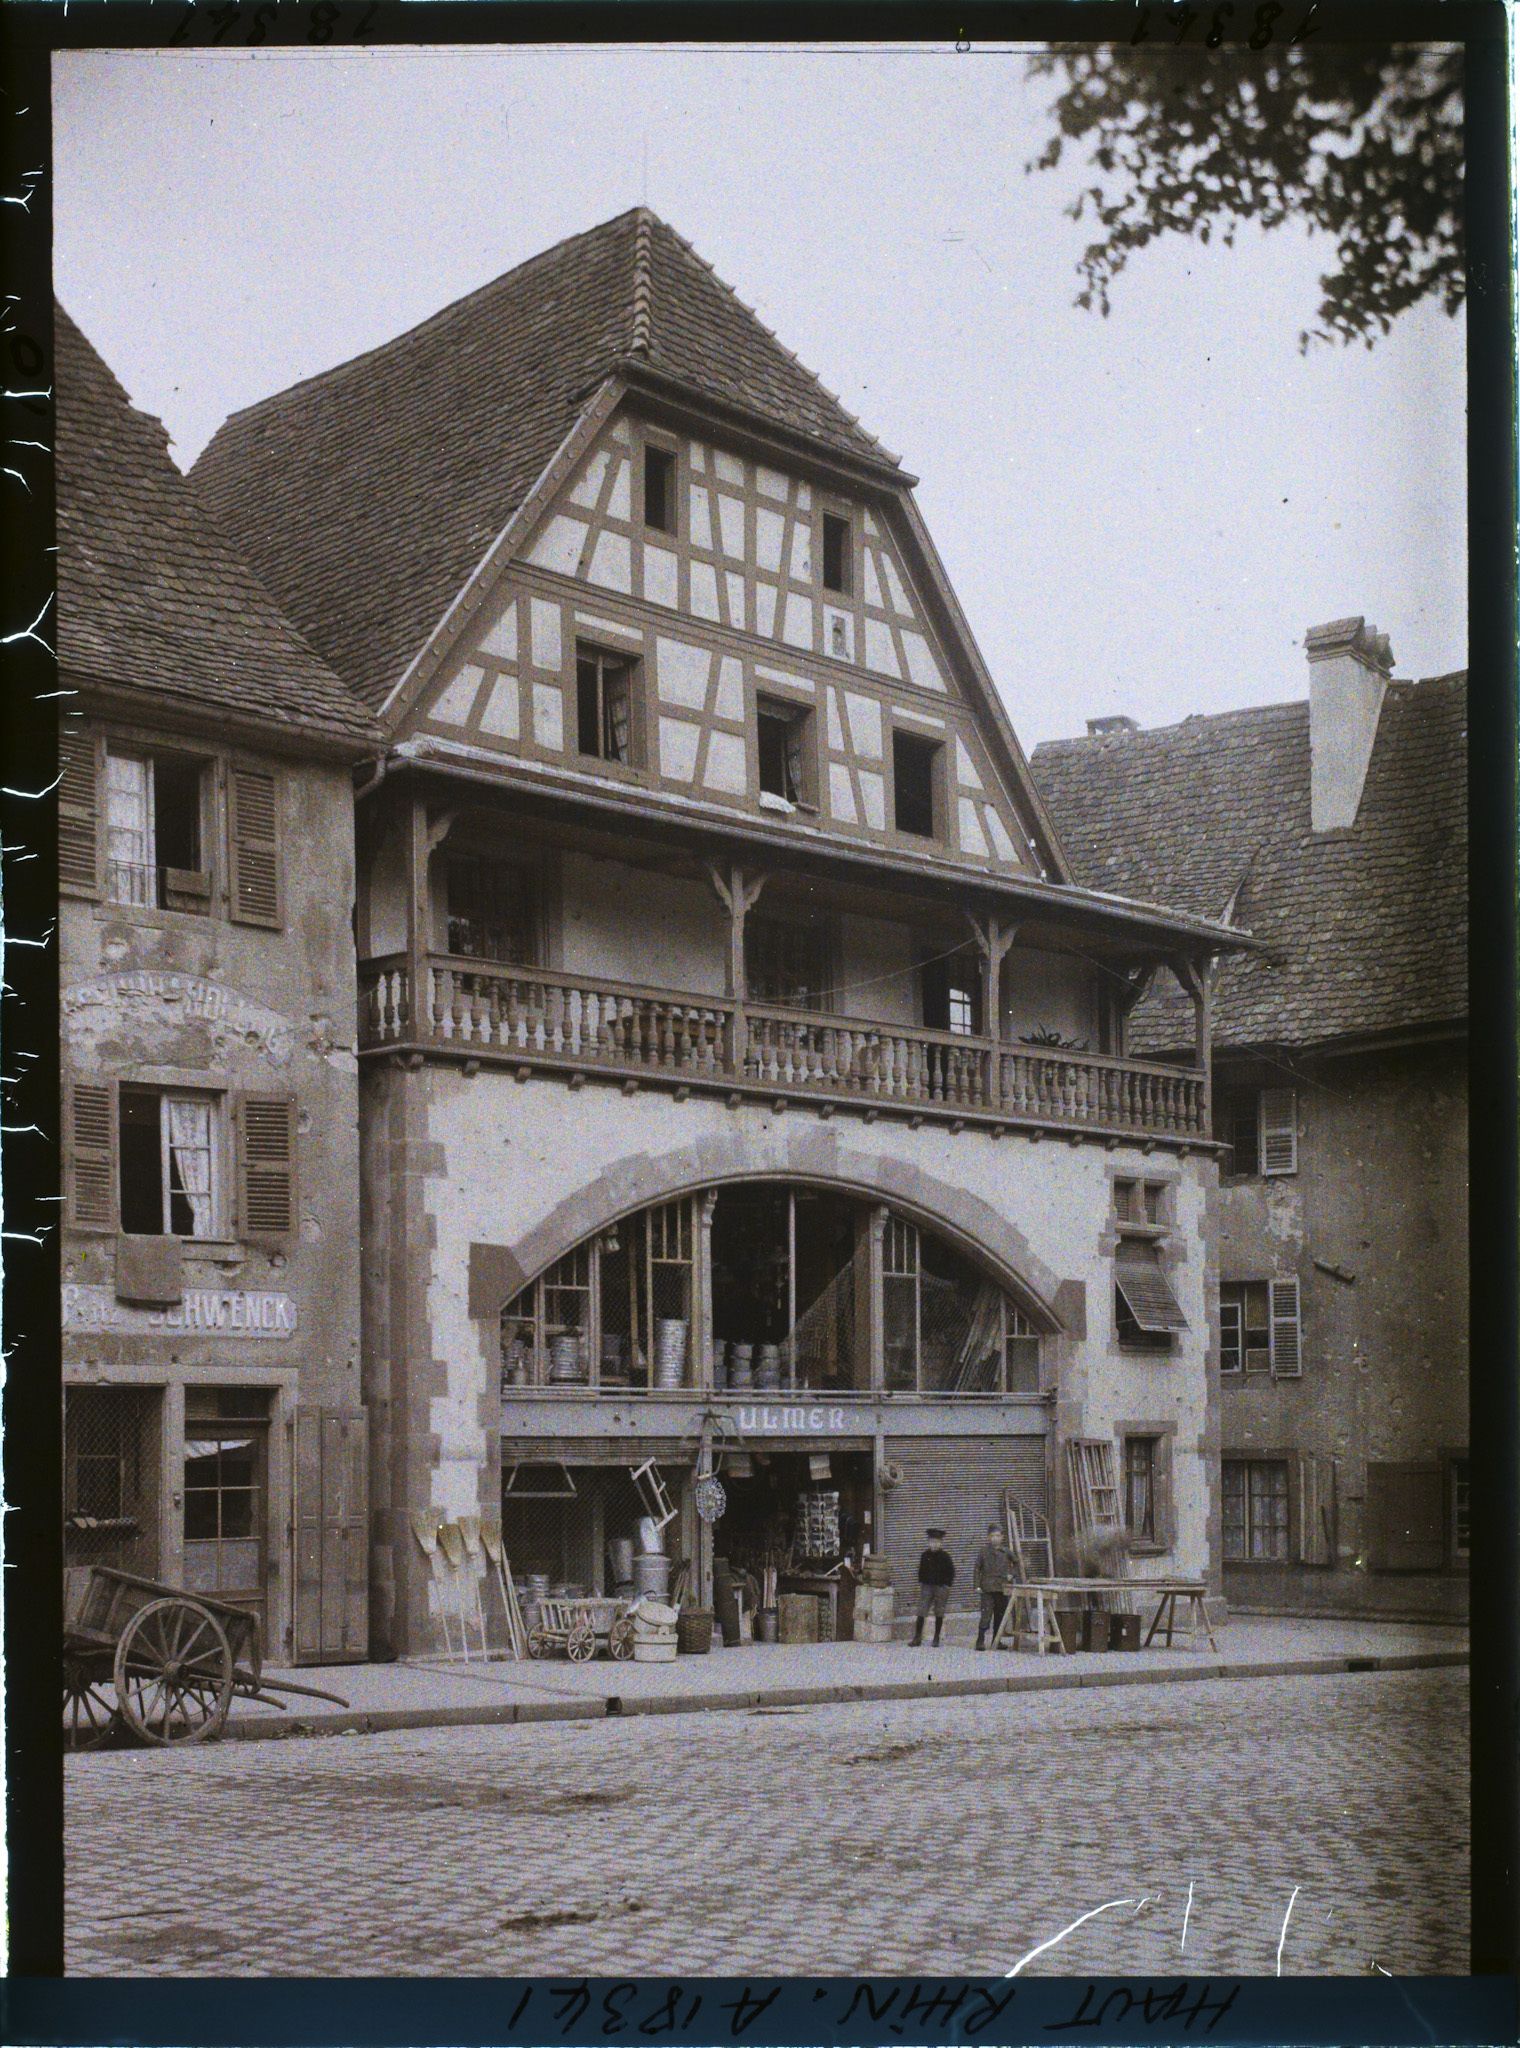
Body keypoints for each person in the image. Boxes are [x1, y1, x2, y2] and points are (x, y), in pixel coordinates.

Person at [974, 1520, 1014, 1650]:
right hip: (987, 1589)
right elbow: (977, 1568)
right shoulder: (983, 1551)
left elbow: (1018, 1563)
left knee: (1000, 1615)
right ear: (988, 1537)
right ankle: (980, 1641)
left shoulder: (1006, 1552)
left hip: (1002, 1588)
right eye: (992, 1536)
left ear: (1002, 1537)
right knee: (986, 1615)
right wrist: (977, 1585)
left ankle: (996, 1641)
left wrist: (1012, 1575)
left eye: (997, 1536)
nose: (995, 1538)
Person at [912, 1527, 955, 1646]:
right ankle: (917, 1637)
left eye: (937, 1542)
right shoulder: (924, 1555)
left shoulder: (946, 1557)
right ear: (928, 1542)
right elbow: (921, 1570)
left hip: (941, 1587)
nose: (934, 1544)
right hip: (927, 1587)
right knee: (922, 1610)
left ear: (941, 1543)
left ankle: (936, 1638)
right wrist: (921, 1583)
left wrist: (947, 1585)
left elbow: (951, 1572)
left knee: (939, 1611)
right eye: (932, 1542)